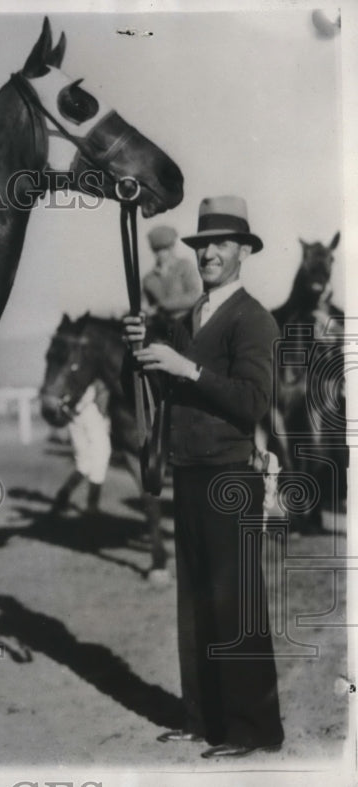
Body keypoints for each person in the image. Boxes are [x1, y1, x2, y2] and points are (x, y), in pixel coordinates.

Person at [124, 196, 284, 759]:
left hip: (230, 476)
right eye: (202, 244)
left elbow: (252, 400)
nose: (209, 253)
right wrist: (145, 351)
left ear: (243, 251)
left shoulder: (253, 319)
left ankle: (250, 728)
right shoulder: (195, 316)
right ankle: (202, 717)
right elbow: (177, 391)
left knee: (234, 603)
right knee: (194, 604)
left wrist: (186, 365)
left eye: (220, 243)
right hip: (189, 473)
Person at [51, 379, 111, 515]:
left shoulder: (68, 366)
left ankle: (62, 497)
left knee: (84, 463)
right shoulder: (84, 362)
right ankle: (92, 506)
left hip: (73, 414)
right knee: (100, 457)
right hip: (87, 411)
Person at [142, 224, 202, 328]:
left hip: (188, 323)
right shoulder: (148, 278)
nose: (161, 254)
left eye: (165, 249)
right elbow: (144, 305)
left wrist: (162, 306)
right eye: (157, 250)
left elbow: (195, 295)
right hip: (161, 327)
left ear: (172, 247)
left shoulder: (185, 266)